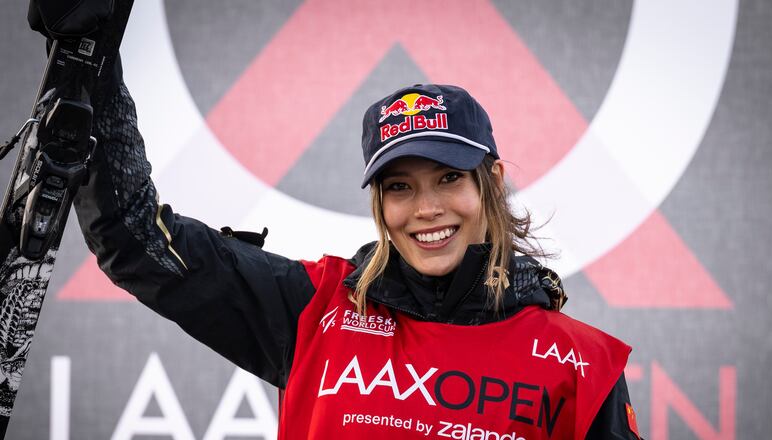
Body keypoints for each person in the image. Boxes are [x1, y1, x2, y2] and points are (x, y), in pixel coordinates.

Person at [28, 4, 642, 439]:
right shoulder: (313, 310)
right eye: (400, 187)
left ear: (492, 183)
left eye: (449, 179)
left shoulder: (579, 365)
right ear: (379, 202)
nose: (426, 209)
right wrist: (91, 63)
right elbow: (137, 241)